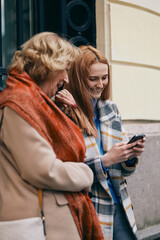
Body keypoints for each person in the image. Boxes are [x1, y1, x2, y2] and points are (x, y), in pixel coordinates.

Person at [0, 33, 104, 240]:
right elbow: (43, 170)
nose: (66, 79)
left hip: (46, 219)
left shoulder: (33, 101)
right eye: (65, 70)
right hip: (36, 223)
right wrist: (86, 173)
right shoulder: (19, 103)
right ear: (49, 65)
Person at [56, 45, 146, 240]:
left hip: (120, 205)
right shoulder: (66, 111)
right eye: (93, 78)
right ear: (79, 78)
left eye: (104, 77)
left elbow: (123, 171)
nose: (100, 84)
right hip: (90, 208)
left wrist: (130, 157)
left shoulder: (110, 108)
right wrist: (106, 160)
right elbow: (65, 171)